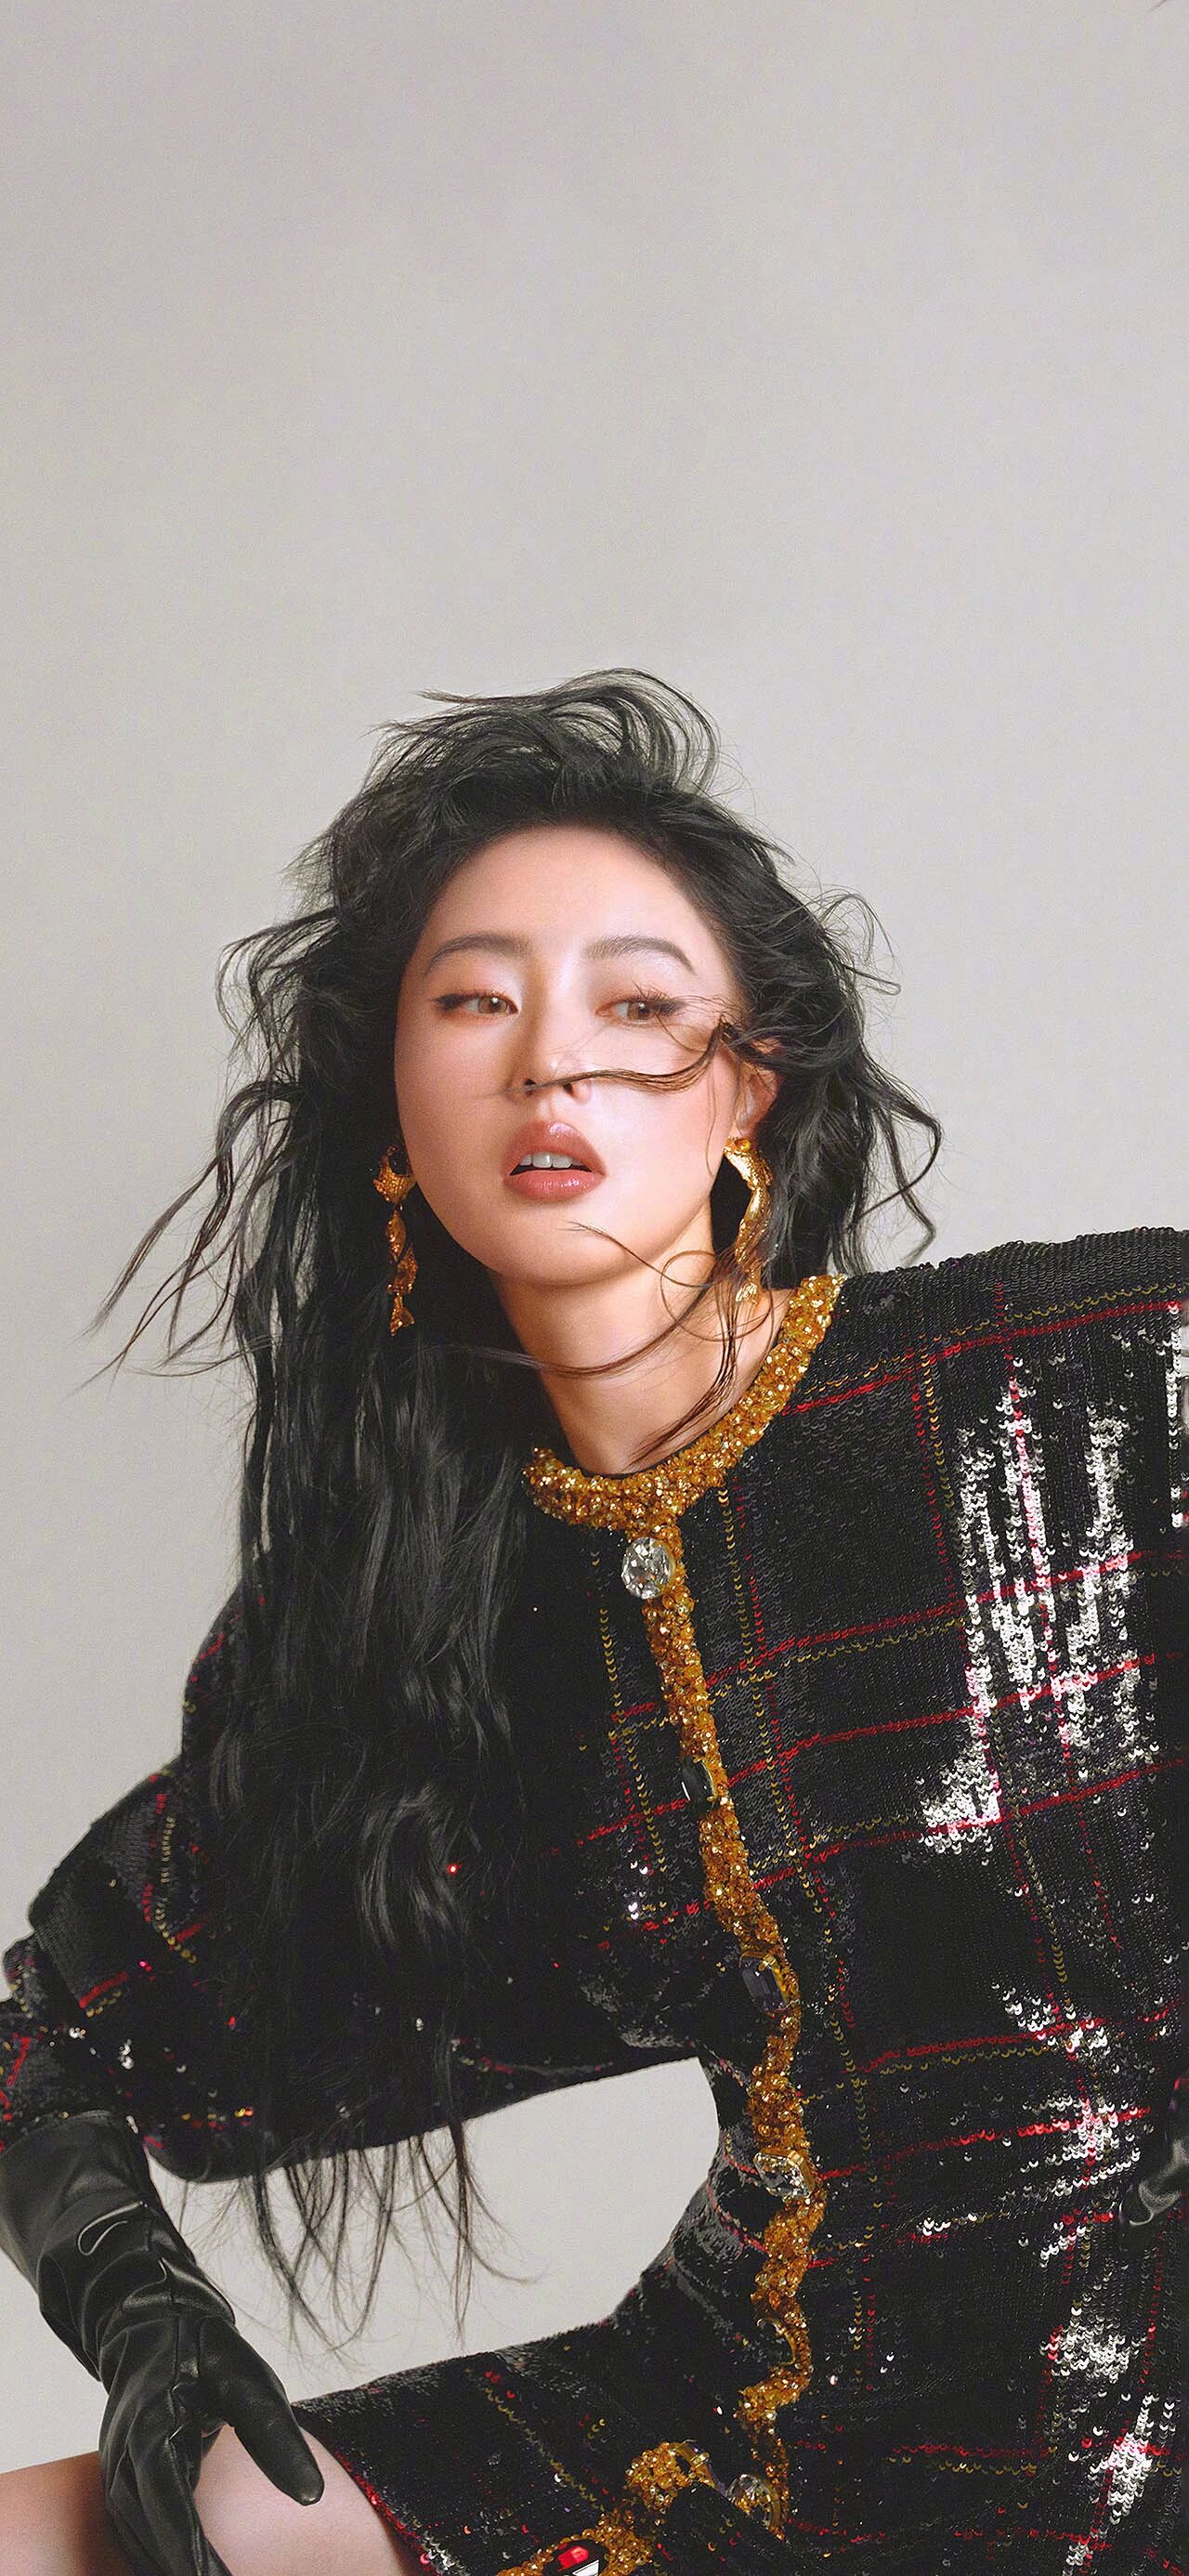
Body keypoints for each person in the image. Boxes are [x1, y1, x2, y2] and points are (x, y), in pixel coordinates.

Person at [0, 672, 1183, 2576]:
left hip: (1126, 2456)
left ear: (745, 1088)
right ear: (395, 1108)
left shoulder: (1086, 1383)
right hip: (714, 2433)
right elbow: (50, 2024)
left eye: (634, 1007)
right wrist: (145, 2320)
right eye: (475, 1002)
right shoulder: (437, 1606)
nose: (551, 1063)